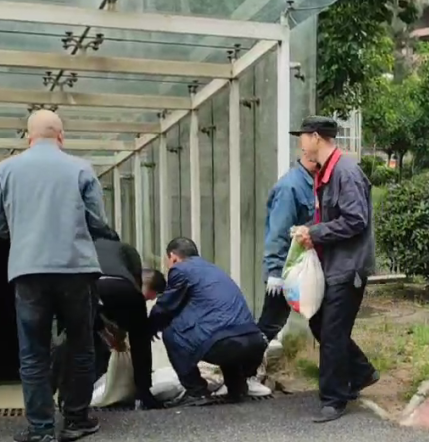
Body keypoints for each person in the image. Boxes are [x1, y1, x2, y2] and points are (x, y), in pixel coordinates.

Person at [0, 110, 114, 442]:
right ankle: (76, 420)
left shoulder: (5, 169)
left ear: (28, 136)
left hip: (28, 270)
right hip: (75, 269)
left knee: (33, 351)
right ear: (61, 136)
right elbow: (98, 221)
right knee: (80, 347)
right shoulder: (81, 168)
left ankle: (41, 429)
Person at [290, 116, 379, 423]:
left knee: (331, 331)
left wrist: (314, 233)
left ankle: (334, 398)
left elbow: (356, 220)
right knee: (320, 324)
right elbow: (336, 218)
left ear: (316, 137)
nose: (300, 143)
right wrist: (310, 231)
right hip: (334, 265)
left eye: (302, 136)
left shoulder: (345, 171)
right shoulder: (328, 171)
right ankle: (362, 372)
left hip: (348, 267)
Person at [149, 237, 268, 407]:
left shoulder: (180, 270)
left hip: (225, 344)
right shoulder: (214, 269)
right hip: (254, 342)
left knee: (171, 332)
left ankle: (196, 392)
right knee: (220, 330)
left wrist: (150, 327)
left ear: (173, 257)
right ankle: (237, 388)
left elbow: (165, 307)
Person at [51, 229, 161, 410]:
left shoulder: (83, 247)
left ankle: (67, 397)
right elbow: (136, 281)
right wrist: (126, 328)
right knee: (140, 338)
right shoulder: (126, 249)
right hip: (123, 287)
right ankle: (144, 394)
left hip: (89, 288)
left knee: (75, 341)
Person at [255, 149, 319, 368]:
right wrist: (275, 272)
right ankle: (246, 370)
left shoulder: (314, 183)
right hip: (286, 270)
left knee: (322, 321)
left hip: (305, 269)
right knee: (271, 322)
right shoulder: (290, 187)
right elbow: (279, 232)